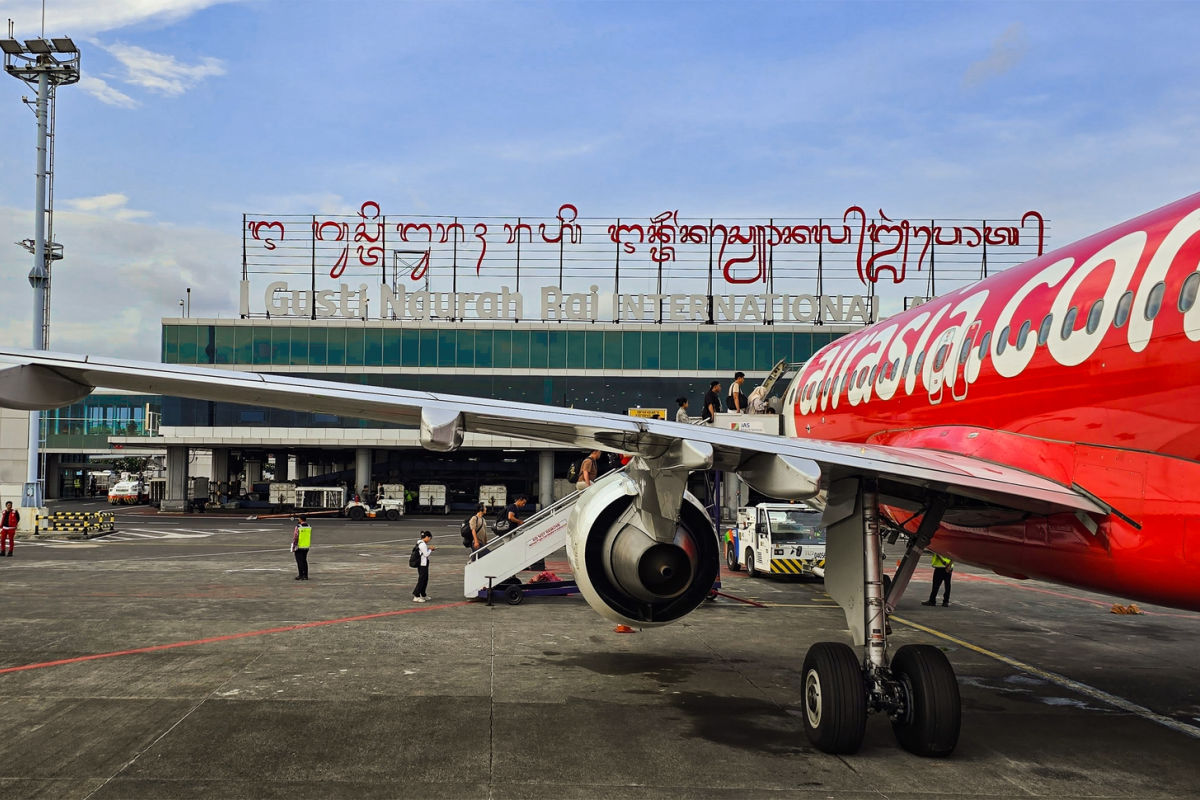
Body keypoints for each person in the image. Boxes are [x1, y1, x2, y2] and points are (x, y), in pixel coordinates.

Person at [413, 530, 435, 602]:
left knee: (425, 579)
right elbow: (426, 554)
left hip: (423, 564)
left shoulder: (420, 543)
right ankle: (416, 595)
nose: (429, 540)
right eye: (429, 538)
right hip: (422, 564)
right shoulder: (423, 544)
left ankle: (423, 594)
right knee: (422, 580)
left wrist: (428, 549)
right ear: (427, 537)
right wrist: (431, 550)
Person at [291, 515, 311, 580]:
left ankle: (300, 575)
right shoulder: (309, 526)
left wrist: (294, 546)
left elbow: (295, 537)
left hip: (299, 546)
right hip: (306, 546)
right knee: (304, 561)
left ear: (300, 519)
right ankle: (305, 575)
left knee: (299, 561)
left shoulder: (298, 527)